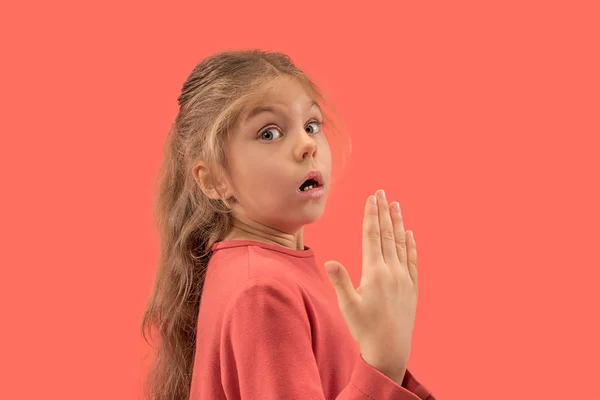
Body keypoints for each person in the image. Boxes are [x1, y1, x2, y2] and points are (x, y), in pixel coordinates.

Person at [141, 49, 435, 400]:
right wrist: (384, 362)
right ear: (214, 180)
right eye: (269, 133)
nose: (307, 144)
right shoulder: (263, 290)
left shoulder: (269, 273)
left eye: (312, 125)